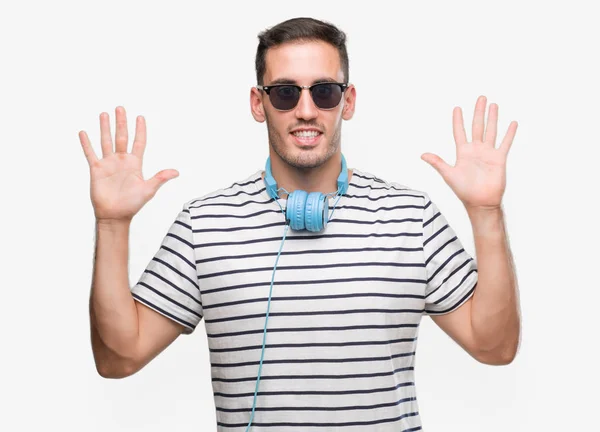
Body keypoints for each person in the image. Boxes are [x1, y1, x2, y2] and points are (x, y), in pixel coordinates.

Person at [79, 17, 521, 432]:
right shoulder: (205, 224)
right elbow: (119, 358)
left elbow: (495, 347)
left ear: (347, 102)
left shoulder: (411, 218)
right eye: (286, 93)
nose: (306, 110)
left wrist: (485, 214)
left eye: (324, 91)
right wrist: (112, 224)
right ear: (259, 103)